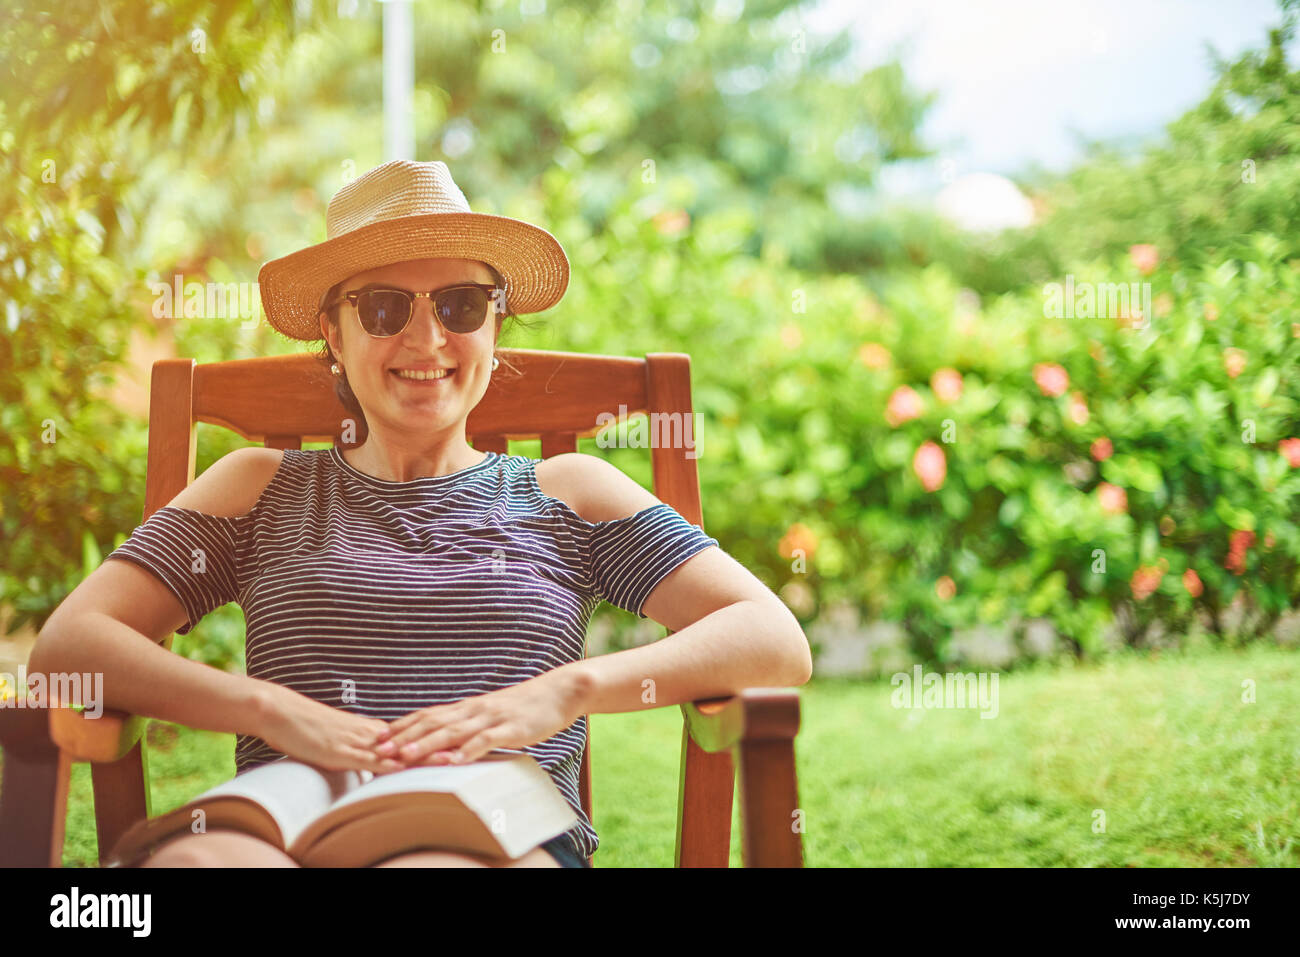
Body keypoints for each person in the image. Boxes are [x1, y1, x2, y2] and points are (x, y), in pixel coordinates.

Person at [29, 160, 813, 868]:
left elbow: (773, 638)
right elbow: (68, 645)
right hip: (289, 817)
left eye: (462, 304)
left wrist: (567, 691)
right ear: (331, 334)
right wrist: (273, 712)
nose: (427, 336)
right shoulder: (257, 487)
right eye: (382, 307)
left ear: (495, 324)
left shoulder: (568, 492)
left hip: (497, 820)